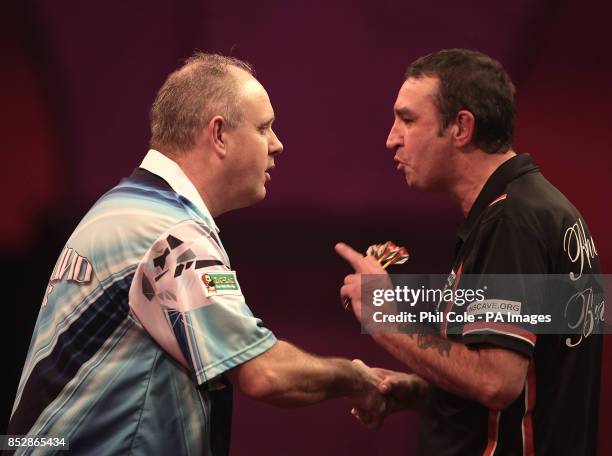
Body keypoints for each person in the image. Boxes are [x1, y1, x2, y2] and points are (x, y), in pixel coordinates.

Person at [8, 52, 385, 455]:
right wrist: (358, 378)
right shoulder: (170, 232)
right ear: (219, 134)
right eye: (264, 128)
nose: (277, 145)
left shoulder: (123, 206)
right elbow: (266, 373)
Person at [336, 49, 602, 455]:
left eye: (408, 120)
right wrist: (421, 392)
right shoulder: (534, 209)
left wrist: (383, 317)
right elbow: (527, 384)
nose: (392, 138)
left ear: (461, 127)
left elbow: (496, 381)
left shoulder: (511, 220)